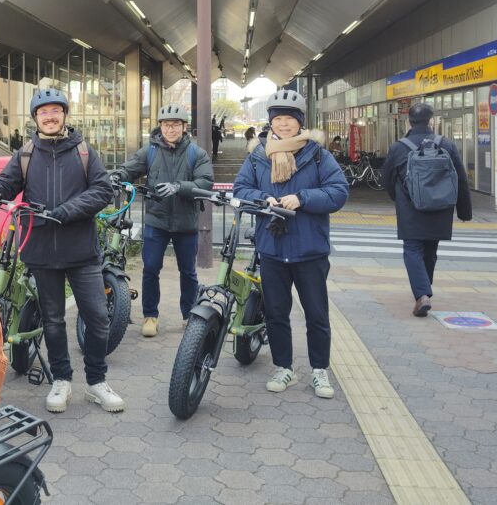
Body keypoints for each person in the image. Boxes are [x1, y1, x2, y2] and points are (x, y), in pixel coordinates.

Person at [0, 88, 123, 414]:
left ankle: (96, 382)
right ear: (36, 118)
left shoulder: (83, 151)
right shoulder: (25, 154)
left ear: (65, 115)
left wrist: (69, 210)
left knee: (97, 318)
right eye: (43, 112)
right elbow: (5, 186)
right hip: (41, 250)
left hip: (81, 250)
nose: (50, 117)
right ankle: (61, 380)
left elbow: (102, 190)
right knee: (53, 320)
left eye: (55, 111)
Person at [233, 89, 349, 400]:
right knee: (276, 313)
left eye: (289, 119)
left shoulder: (318, 155)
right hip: (271, 247)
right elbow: (241, 187)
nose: (284, 125)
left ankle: (319, 370)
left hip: (310, 249)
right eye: (278, 119)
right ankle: (283, 367)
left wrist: (303, 198)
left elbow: (339, 191)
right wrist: (262, 199)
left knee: (316, 314)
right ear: (271, 122)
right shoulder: (259, 155)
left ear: (300, 122)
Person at [111, 104, 213, 337]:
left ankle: (189, 315)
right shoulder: (151, 151)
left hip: (186, 222)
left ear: (184, 127)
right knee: (151, 269)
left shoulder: (196, 153)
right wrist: (117, 176)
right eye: (166, 125)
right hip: (156, 220)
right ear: (160, 126)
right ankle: (150, 316)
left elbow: (206, 182)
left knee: (188, 271)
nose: (170, 129)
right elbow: (130, 168)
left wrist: (179, 187)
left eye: (175, 124)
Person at [381, 102, 472, 317]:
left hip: (411, 209)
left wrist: (399, 198)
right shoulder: (446, 144)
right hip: (441, 208)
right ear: (431, 120)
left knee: (412, 250)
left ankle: (422, 294)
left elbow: (386, 179)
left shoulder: (398, 147)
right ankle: (425, 292)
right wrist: (464, 210)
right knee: (430, 250)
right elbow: (460, 179)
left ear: (408, 121)